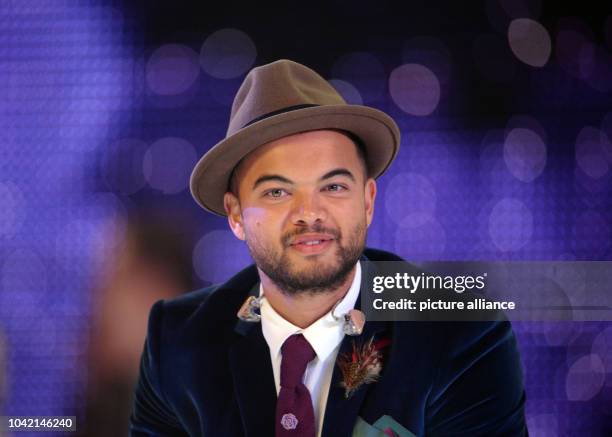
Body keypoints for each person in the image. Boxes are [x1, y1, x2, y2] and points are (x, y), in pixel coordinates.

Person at [129, 59, 527, 436]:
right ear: (235, 215)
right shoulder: (178, 340)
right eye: (277, 191)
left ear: (368, 202)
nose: (309, 213)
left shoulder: (462, 332)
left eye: (333, 186)